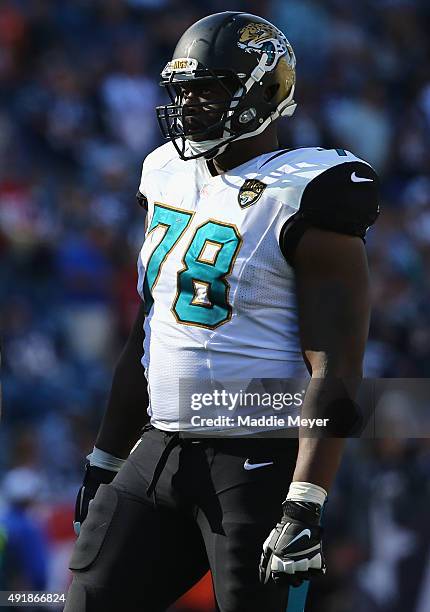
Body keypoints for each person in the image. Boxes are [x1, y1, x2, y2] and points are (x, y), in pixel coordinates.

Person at [64, 11, 379, 612]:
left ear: (264, 93)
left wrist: (305, 499)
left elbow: (336, 366)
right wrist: (107, 453)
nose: (188, 107)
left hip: (255, 460)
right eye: (183, 92)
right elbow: (149, 327)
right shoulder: (164, 173)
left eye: (208, 91)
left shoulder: (308, 191)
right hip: (161, 447)